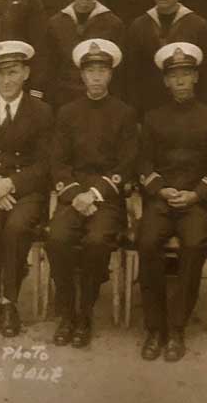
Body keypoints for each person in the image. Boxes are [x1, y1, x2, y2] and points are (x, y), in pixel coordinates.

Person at [136, 42, 207, 362]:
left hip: (195, 203)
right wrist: (161, 190)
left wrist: (197, 194)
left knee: (194, 245)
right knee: (146, 242)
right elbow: (144, 164)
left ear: (196, 77)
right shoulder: (152, 118)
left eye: (186, 75)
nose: (180, 82)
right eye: (174, 76)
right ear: (165, 81)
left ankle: (177, 327)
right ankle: (154, 327)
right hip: (162, 201)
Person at [46, 38, 138, 348]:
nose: (96, 77)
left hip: (106, 199)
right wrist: (75, 195)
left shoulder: (124, 113)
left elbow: (127, 164)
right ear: (81, 75)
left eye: (102, 70)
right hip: (74, 194)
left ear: (110, 75)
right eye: (90, 71)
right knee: (56, 237)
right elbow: (57, 162)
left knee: (98, 242)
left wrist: (95, 194)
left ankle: (84, 314)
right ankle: (66, 313)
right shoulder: (67, 112)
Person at [0, 41, 53, 338]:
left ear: (26, 73)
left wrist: (11, 184)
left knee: (18, 227)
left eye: (13, 72)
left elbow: (46, 164)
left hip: (26, 190)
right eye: (0, 73)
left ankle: (10, 302)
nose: (6, 80)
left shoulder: (41, 111)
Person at [123, 0, 207, 118]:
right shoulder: (139, 26)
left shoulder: (197, 24)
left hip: (189, 107)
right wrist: (136, 115)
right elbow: (131, 76)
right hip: (150, 107)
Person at [44, 0, 125, 107]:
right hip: (63, 99)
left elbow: (119, 73)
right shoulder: (56, 23)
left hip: (100, 100)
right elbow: (49, 69)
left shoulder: (113, 23)